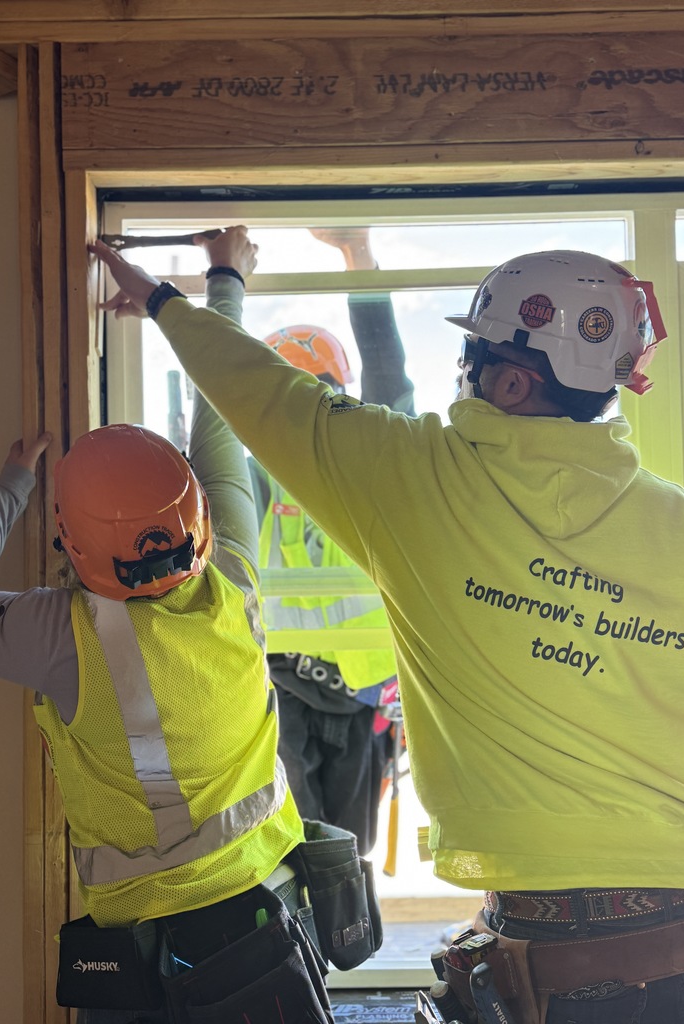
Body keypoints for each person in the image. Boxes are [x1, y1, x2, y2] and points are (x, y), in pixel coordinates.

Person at [91, 238, 684, 1024]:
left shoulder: (415, 477)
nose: (460, 370)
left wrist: (168, 302)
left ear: (511, 380)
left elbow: (262, 392)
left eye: (472, 353)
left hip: (563, 965)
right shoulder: (675, 522)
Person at [0, 228, 336, 1024]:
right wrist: (221, 281)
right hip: (273, 910)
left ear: (72, 545)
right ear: (200, 521)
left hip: (152, 956)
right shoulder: (237, 575)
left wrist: (13, 480)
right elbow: (221, 419)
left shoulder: (58, 636)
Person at [252, 227, 414, 855]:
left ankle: (338, 949)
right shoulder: (250, 477)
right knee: (290, 847)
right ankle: (298, 953)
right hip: (280, 687)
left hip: (363, 693)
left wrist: (359, 259)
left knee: (348, 853)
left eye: (321, 391)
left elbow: (388, 371)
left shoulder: (374, 463)